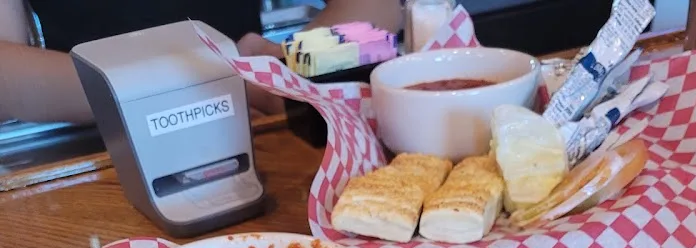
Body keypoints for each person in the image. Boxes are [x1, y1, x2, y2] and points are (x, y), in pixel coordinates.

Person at [0, 0, 402, 123]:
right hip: (99, 147)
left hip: (252, 124)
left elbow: (382, 18)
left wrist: (288, 64)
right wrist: (192, 82)